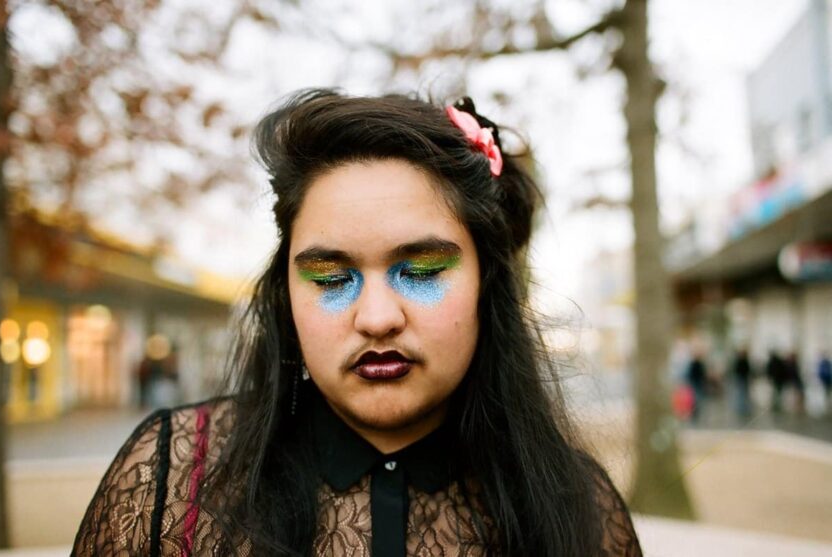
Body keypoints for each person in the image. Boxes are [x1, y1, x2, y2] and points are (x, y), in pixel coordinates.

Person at [72, 90, 641, 556]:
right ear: (285, 295)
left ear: (485, 285)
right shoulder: (171, 481)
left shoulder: (580, 508)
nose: (376, 318)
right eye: (329, 278)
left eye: (420, 270)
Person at [731, 348, 752, 419]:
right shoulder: (742, 361)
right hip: (742, 379)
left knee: (743, 393)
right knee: (742, 393)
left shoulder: (742, 361)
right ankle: (742, 408)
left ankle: (743, 408)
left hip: (743, 379)